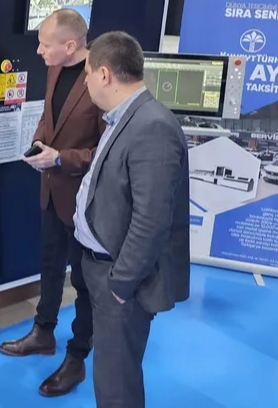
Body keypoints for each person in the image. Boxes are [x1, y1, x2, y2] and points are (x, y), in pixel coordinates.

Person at [74, 31, 190, 408]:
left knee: (117, 384)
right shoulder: (124, 118)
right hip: (102, 270)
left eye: (87, 73)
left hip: (121, 282)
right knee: (110, 375)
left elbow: (151, 220)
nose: (85, 82)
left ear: (104, 74)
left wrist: (121, 284)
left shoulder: (152, 126)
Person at [0, 9, 105, 397]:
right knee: (49, 265)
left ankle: (77, 357)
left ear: (70, 46)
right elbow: (50, 116)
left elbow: (106, 152)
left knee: (83, 282)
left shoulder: (102, 83)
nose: (39, 51)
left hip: (83, 201)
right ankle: (43, 332)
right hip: (51, 191)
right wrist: (39, 144)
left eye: (45, 44)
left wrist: (60, 158)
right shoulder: (55, 68)